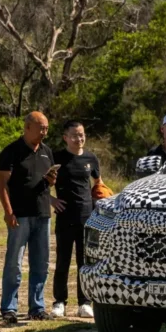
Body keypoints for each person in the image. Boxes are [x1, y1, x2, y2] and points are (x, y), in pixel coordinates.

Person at [0, 112, 57, 325]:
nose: (44, 132)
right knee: (14, 263)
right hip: (19, 215)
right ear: (28, 127)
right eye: (41, 128)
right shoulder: (11, 151)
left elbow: (49, 182)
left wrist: (51, 180)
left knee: (41, 263)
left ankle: (37, 307)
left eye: (46, 128)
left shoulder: (47, 152)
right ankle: (9, 308)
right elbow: (2, 184)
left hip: (42, 214)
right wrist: (8, 212)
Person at [50, 120, 102, 319]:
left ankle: (85, 303)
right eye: (74, 135)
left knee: (85, 262)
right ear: (65, 137)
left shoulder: (91, 158)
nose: (79, 139)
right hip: (64, 217)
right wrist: (52, 200)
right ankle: (59, 302)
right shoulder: (56, 158)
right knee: (62, 261)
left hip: (87, 218)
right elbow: (41, 183)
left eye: (81, 135)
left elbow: (98, 184)